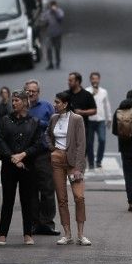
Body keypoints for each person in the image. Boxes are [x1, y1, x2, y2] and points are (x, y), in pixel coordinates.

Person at [0, 90, 46, 246]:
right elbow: (0, 140)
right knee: (8, 200)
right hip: (9, 166)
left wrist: (23, 155)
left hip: (27, 166)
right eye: (13, 101)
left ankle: (28, 234)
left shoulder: (34, 122)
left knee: (27, 200)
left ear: (25, 102)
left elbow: (38, 144)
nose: (14, 103)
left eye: (17, 100)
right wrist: (13, 157)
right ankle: (3, 234)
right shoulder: (5, 120)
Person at [48, 91, 90, 245]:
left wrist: (79, 167)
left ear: (65, 104)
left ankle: (81, 234)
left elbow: (81, 144)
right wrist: (52, 149)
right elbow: (47, 135)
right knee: (62, 198)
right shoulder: (53, 118)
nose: (54, 104)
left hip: (73, 162)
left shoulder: (77, 119)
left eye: (57, 102)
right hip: (57, 160)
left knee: (79, 197)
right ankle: (67, 234)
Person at [24, 79, 60, 235]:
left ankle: (47, 223)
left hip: (44, 154)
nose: (31, 93)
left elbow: (56, 125)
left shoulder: (46, 106)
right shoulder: (21, 106)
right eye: (28, 91)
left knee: (47, 189)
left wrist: (38, 122)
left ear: (38, 92)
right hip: (26, 154)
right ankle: (33, 222)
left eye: (34, 91)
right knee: (30, 191)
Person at [64, 71, 96, 156]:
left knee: (81, 154)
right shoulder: (65, 94)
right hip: (66, 129)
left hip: (82, 128)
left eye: (71, 81)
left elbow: (94, 110)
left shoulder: (87, 95)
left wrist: (82, 112)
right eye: (68, 80)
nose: (68, 82)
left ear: (77, 82)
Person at [86, 72, 113, 169]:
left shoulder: (104, 91)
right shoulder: (87, 91)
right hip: (90, 120)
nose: (95, 81)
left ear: (99, 79)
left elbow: (107, 105)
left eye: (96, 79)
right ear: (90, 80)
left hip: (101, 119)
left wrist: (109, 118)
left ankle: (99, 160)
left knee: (102, 140)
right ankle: (91, 162)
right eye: (93, 79)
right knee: (89, 142)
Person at [42, 1, 64, 69]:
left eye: (54, 5)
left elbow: (61, 18)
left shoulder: (60, 11)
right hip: (49, 34)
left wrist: (56, 12)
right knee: (48, 48)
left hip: (57, 33)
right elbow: (43, 21)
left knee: (57, 49)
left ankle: (57, 62)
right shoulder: (47, 13)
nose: (52, 7)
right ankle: (50, 63)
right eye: (51, 6)